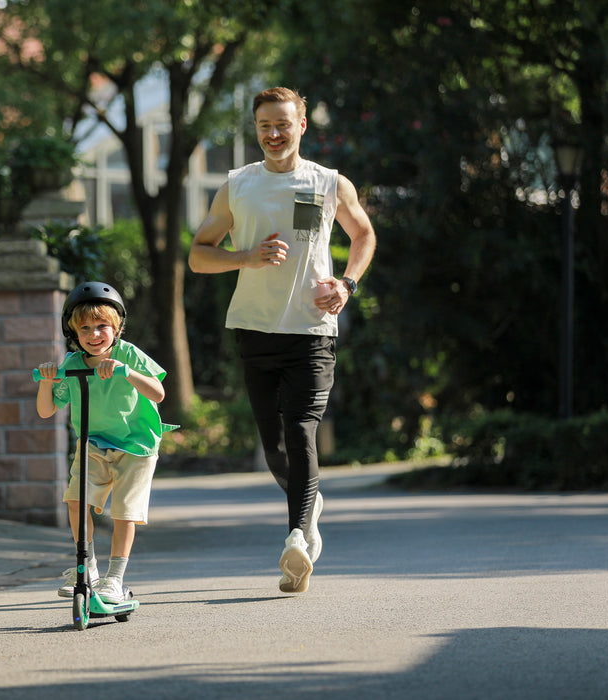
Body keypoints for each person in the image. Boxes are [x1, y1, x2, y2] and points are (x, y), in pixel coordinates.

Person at [188, 86, 376, 594]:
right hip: (254, 327)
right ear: (256, 130)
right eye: (264, 126)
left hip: (312, 331)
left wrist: (347, 283)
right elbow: (199, 255)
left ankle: (296, 536)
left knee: (300, 430)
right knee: (273, 446)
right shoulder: (236, 186)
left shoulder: (330, 183)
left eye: (282, 125)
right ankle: (309, 504)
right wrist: (243, 258)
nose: (273, 134)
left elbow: (363, 235)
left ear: (302, 126)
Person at [36, 281, 173, 604]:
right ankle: (89, 568)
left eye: (102, 327)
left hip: (136, 445)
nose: (94, 334)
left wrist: (126, 372)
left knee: (124, 512)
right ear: (73, 332)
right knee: (75, 500)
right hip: (94, 443)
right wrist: (47, 381)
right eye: (85, 328)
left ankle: (115, 579)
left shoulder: (128, 354)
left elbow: (158, 392)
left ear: (118, 328)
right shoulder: (71, 364)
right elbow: (45, 411)